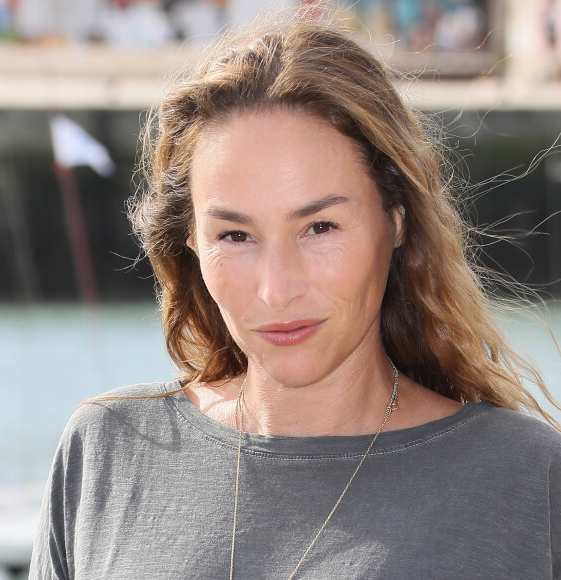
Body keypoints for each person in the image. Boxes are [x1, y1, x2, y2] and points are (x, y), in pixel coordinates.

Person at [30, 8, 561, 579]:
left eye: (320, 227)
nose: (276, 289)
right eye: (235, 235)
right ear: (190, 242)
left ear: (397, 218)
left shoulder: (526, 480)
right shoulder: (106, 451)